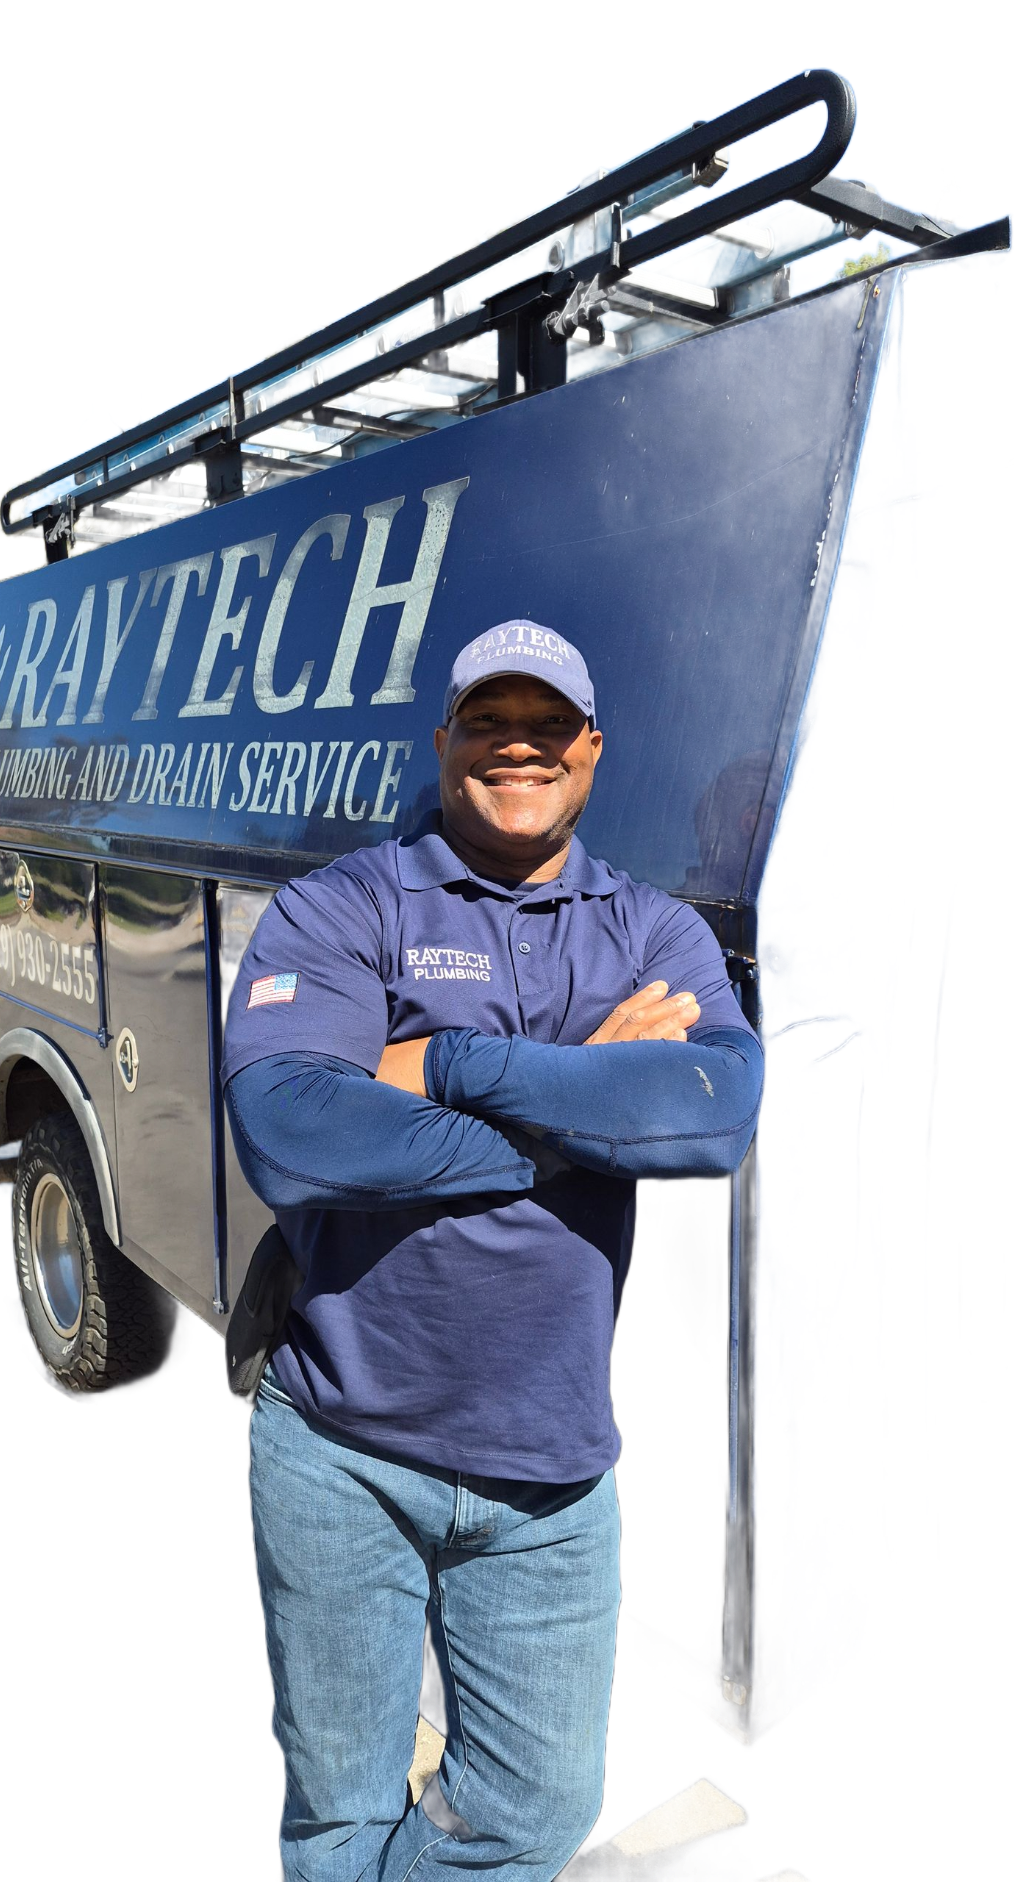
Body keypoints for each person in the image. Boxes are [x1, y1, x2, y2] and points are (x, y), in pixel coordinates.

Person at [220, 618, 766, 1882]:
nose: (515, 746)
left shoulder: (652, 930)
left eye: (545, 725)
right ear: (444, 740)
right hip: (340, 1453)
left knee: (534, 1811)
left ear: (590, 748)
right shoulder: (350, 900)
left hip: (553, 1481)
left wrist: (444, 1063)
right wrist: (585, 1106)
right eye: (486, 722)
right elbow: (292, 1130)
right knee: (337, 1816)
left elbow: (716, 1116)